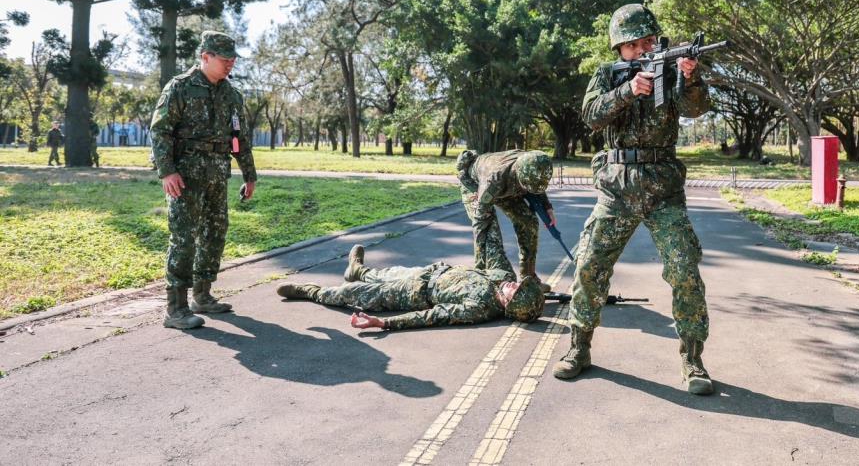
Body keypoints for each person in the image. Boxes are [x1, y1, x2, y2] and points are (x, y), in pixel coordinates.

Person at [553, 4, 715, 395]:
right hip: (617, 187)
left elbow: (695, 109)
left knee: (684, 268)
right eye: (638, 43)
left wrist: (691, 78)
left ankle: (692, 360)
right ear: (621, 47)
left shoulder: (674, 71)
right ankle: (579, 347)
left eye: (650, 41)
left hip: (663, 188)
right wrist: (628, 91)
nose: (646, 47)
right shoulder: (606, 75)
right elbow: (591, 115)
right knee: (591, 264)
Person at [149, 31, 257, 330]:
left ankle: (203, 296)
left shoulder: (231, 94)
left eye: (233, 60)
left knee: (214, 233)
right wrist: (166, 171)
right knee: (184, 238)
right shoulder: (180, 87)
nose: (229, 65)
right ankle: (175, 309)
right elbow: (160, 132)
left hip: (217, 174)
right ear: (205, 56)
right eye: (224, 60)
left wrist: (249, 175)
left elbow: (240, 139)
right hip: (185, 177)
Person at [276, 244, 546, 330]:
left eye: (517, 290)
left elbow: (430, 316)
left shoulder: (478, 309)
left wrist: (384, 324)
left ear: (512, 304)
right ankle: (358, 269)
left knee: (351, 293)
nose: (515, 283)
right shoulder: (500, 282)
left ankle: (310, 291)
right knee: (382, 273)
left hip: (413, 293)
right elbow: (494, 247)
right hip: (427, 272)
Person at [456, 149, 555, 289]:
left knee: (529, 222)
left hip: (509, 186)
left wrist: (548, 207)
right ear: (519, 174)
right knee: (491, 231)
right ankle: (485, 280)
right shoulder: (494, 180)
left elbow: (536, 182)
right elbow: (480, 223)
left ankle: (529, 278)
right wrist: (479, 266)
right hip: (474, 185)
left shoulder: (533, 162)